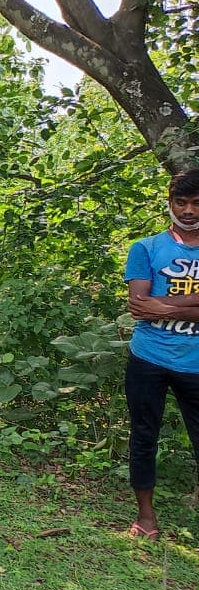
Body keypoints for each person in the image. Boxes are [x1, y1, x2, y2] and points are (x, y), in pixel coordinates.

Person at [123, 171, 199, 540]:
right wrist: (191, 304)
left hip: (196, 365)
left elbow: (152, 305)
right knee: (143, 435)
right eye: (180, 202)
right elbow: (139, 306)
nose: (188, 211)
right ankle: (146, 516)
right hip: (148, 359)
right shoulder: (147, 248)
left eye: (196, 203)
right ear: (169, 203)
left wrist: (163, 306)